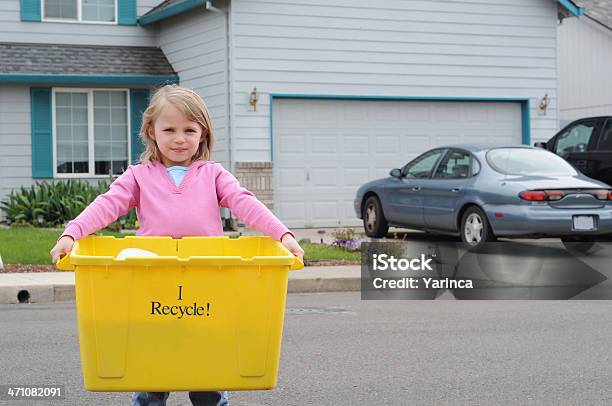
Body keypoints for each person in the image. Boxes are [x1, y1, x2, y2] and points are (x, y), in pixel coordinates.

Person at [49, 84, 304, 406]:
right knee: (150, 365)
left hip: (208, 277)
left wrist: (284, 235)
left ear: (203, 134)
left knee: (209, 367)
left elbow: (245, 203)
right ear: (151, 132)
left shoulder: (213, 174)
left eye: (189, 130)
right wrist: (71, 234)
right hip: (152, 277)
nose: (179, 138)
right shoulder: (138, 176)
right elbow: (106, 204)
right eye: (169, 129)